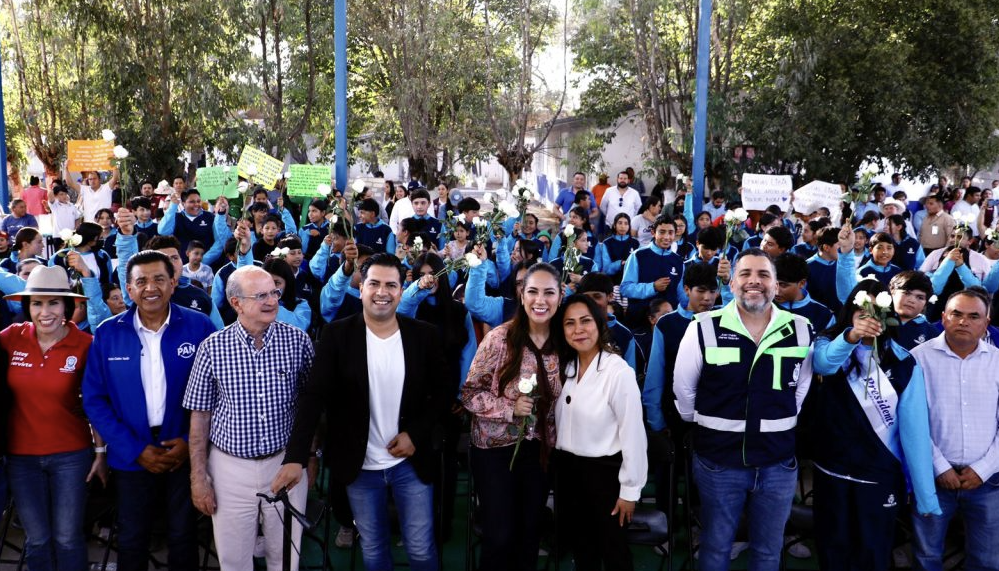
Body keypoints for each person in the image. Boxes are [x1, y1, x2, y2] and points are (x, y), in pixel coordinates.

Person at [273, 253, 448, 571]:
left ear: (401, 289)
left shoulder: (424, 335)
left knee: (421, 549)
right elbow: (314, 397)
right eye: (375, 284)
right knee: (374, 549)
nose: (383, 292)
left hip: (411, 462)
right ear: (362, 287)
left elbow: (442, 394)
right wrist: (296, 457)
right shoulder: (337, 335)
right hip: (359, 465)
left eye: (391, 285)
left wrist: (416, 434)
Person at [673, 248, 815, 571]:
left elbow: (800, 389)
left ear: (776, 286)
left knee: (767, 552)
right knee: (716, 547)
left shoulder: (802, 329)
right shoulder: (702, 328)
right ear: (733, 283)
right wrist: (714, 425)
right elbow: (683, 391)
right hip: (718, 463)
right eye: (746, 274)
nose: (755, 281)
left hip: (777, 463)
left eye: (764, 275)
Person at [82, 250, 216, 571]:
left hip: (184, 451)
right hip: (132, 455)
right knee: (131, 537)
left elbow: (219, 392)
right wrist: (134, 449)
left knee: (183, 535)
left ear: (173, 283)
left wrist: (189, 442)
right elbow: (95, 399)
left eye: (159, 279)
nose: (150, 287)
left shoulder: (200, 327)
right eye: (141, 281)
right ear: (129, 289)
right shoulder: (108, 333)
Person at [184, 265, 315, 570]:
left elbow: (312, 405)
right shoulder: (212, 348)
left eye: (274, 293)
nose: (271, 301)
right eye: (260, 296)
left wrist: (308, 457)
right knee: (233, 560)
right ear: (236, 303)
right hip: (229, 467)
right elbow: (199, 419)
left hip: (284, 463)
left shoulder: (297, 342)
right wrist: (198, 477)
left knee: (285, 558)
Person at [809, 280, 940, 570]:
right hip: (832, 471)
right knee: (832, 549)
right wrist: (852, 337)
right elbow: (823, 364)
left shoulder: (904, 361)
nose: (869, 318)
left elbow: (915, 430)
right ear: (850, 311)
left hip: (879, 475)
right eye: (861, 309)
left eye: (875, 311)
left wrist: (924, 494)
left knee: (873, 552)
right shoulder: (829, 343)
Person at [1, 265, 107, 571]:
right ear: (27, 307)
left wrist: (100, 453)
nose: (44, 312)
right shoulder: (12, 337)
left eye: (53, 303)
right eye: (37, 303)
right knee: (37, 540)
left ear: (68, 306)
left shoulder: (86, 344)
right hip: (21, 459)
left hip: (71, 456)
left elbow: (95, 402)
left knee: (67, 538)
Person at [461, 262, 564, 571]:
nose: (540, 300)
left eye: (549, 293)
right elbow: (469, 393)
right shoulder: (499, 338)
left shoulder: (567, 342)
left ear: (561, 296)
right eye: (532, 292)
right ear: (521, 295)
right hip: (494, 450)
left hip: (541, 451)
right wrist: (509, 410)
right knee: (500, 536)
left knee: (529, 534)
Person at [553, 294, 647, 570]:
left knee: (614, 552)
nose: (578, 329)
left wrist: (630, 490)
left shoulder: (618, 372)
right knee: (583, 552)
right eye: (569, 323)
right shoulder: (565, 367)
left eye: (585, 321)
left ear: (600, 323)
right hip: (568, 473)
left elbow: (633, 434)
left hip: (605, 476)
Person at [910, 289, 999, 571]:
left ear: (986, 324)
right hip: (932, 479)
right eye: (957, 314)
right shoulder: (917, 359)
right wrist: (939, 466)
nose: (964, 321)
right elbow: (910, 422)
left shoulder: (997, 361)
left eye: (974, 316)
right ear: (943, 318)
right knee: (926, 558)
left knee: (986, 561)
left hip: (987, 482)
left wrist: (983, 469)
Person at [620, 215, 684, 323]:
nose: (667, 237)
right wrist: (652, 287)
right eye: (662, 232)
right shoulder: (638, 256)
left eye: (670, 232)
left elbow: (680, 294)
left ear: (675, 233)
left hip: (668, 322)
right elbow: (625, 289)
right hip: (639, 320)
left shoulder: (678, 261)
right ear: (653, 233)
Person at [596, 213, 640, 283]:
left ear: (629, 226)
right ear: (614, 225)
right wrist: (620, 263)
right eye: (620, 223)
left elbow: (639, 265)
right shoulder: (607, 243)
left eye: (626, 224)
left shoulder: (636, 243)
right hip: (612, 281)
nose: (623, 226)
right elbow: (606, 269)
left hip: (631, 281)